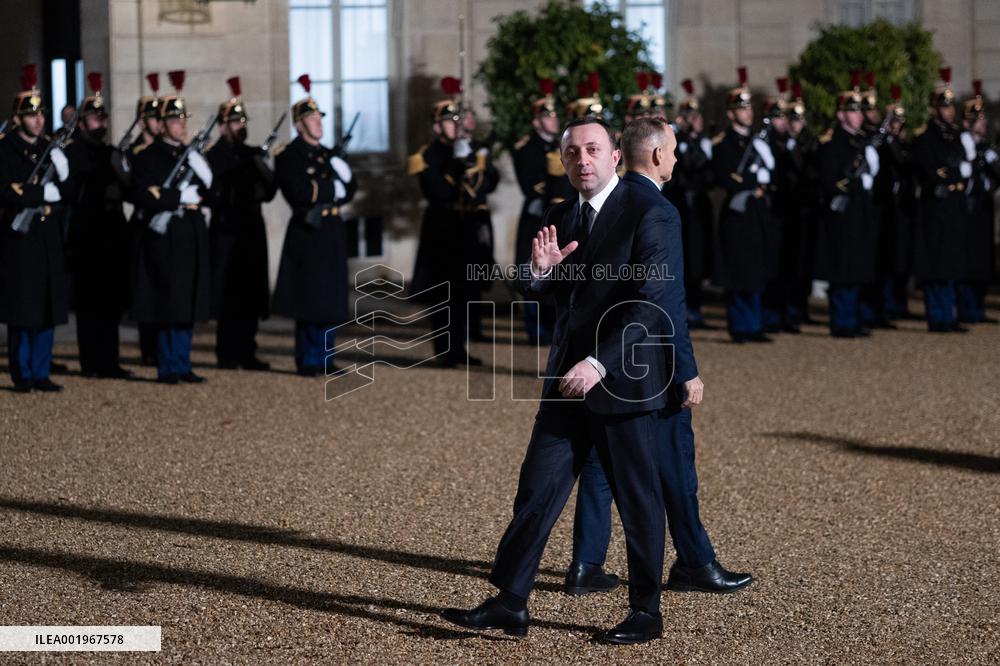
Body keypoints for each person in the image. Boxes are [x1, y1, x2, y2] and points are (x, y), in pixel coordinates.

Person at [442, 117, 676, 645]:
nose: (582, 160)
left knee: (636, 496)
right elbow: (549, 295)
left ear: (616, 155)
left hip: (623, 379)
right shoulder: (558, 214)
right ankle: (511, 602)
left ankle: (646, 611)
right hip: (565, 381)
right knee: (537, 487)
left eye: (593, 150)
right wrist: (540, 273)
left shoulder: (651, 212)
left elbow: (652, 303)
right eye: (572, 153)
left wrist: (599, 363)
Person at [566, 116, 753, 601]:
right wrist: (687, 369)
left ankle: (587, 563)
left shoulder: (603, 204)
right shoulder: (656, 208)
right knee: (674, 467)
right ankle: (694, 562)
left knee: (599, 463)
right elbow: (666, 302)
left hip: (603, 354)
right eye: (671, 149)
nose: (675, 156)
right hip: (648, 362)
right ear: (654, 155)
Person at [130, 70, 213, 383]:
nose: (182, 126)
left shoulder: (190, 155)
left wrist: (200, 171)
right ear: (162, 124)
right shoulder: (148, 155)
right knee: (169, 302)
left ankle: (183, 361)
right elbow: (144, 192)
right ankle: (168, 364)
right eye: (176, 121)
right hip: (167, 237)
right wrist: (178, 196)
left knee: (188, 300)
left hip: (191, 232)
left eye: (183, 120)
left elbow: (212, 192)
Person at [272, 74, 356, 376]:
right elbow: (299, 191)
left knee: (331, 296)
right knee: (309, 297)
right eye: (312, 119)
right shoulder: (289, 155)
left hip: (331, 230)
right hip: (309, 231)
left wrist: (340, 176)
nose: (318, 122)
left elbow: (352, 188)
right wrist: (335, 187)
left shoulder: (326, 154)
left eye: (319, 117)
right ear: (299, 124)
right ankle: (307, 358)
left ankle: (326, 356)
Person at [409, 77, 496, 367]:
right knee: (443, 292)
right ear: (437, 126)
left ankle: (459, 347)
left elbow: (490, 182)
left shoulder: (470, 149)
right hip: (442, 226)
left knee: (465, 290)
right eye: (448, 121)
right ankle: (444, 350)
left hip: (467, 225)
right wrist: (458, 164)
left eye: (457, 120)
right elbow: (437, 190)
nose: (455, 126)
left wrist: (471, 158)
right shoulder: (428, 155)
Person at [0, 64, 72, 392]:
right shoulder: (6, 148)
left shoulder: (48, 148)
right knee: (23, 307)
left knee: (47, 304)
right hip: (21, 239)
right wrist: (43, 192)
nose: (39, 120)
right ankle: (23, 372)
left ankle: (41, 371)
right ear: (18, 118)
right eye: (31, 115)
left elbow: (70, 192)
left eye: (41, 114)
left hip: (46, 236)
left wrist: (61, 175)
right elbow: (7, 189)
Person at [64, 72, 133, 379]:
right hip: (87, 235)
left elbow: (129, 185)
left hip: (113, 234)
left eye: (102, 119)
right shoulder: (73, 151)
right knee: (90, 303)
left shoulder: (110, 152)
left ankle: (110, 360)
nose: (100, 124)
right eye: (94, 119)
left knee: (111, 302)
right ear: (81, 123)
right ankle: (92, 362)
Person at [206, 76, 277, 370]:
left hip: (250, 230)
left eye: (242, 121)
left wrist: (261, 170)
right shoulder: (214, 155)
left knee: (250, 292)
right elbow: (215, 192)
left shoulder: (252, 154)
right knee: (227, 293)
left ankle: (247, 349)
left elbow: (270, 190)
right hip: (226, 232)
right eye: (234, 123)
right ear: (223, 127)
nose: (240, 126)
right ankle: (226, 352)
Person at [711, 67, 775, 343]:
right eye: (742, 108)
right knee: (739, 270)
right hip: (737, 213)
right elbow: (725, 178)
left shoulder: (756, 141)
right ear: (730, 113)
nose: (747, 112)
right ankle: (739, 326)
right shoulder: (724, 144)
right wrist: (753, 177)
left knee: (756, 267)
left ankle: (755, 324)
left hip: (756, 212)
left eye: (749, 108)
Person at [814, 75, 880, 338]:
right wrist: (856, 182)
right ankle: (842, 321)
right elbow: (831, 180)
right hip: (842, 216)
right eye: (852, 111)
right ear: (841, 115)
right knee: (842, 270)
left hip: (860, 213)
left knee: (856, 269)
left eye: (859, 111)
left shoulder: (861, 141)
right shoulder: (833, 143)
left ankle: (852, 318)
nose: (858, 116)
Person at [911, 67, 972, 333]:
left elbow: (962, 167)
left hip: (955, 207)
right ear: (935, 109)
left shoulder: (956, 136)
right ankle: (938, 316)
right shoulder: (926, 138)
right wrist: (953, 173)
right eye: (944, 107)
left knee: (954, 263)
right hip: (937, 208)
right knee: (937, 265)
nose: (949, 112)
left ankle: (950, 313)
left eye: (951, 107)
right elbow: (932, 172)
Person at [512, 79, 561, 345]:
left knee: (557, 272)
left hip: (557, 216)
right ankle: (535, 327)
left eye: (555, 115)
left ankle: (554, 325)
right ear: (536, 121)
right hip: (535, 215)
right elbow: (531, 186)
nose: (553, 120)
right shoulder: (526, 148)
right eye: (547, 116)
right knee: (532, 271)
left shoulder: (562, 145)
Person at [666, 78, 715, 330]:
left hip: (699, 206)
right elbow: (685, 168)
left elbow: (709, 175)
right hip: (680, 205)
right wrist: (687, 139)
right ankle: (682, 311)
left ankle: (695, 308)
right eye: (691, 115)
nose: (697, 119)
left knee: (697, 260)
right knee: (681, 261)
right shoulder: (676, 141)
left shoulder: (703, 141)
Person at [126, 72, 165, 367]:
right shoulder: (136, 152)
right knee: (146, 287)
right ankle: (148, 347)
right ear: (142, 121)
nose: (157, 123)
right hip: (143, 225)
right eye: (152, 118)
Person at [957, 80, 999, 324]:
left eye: (983, 120)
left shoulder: (986, 148)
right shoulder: (960, 145)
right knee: (966, 260)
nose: (983, 124)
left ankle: (977, 306)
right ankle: (965, 307)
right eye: (979, 121)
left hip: (982, 210)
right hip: (964, 211)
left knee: (982, 261)